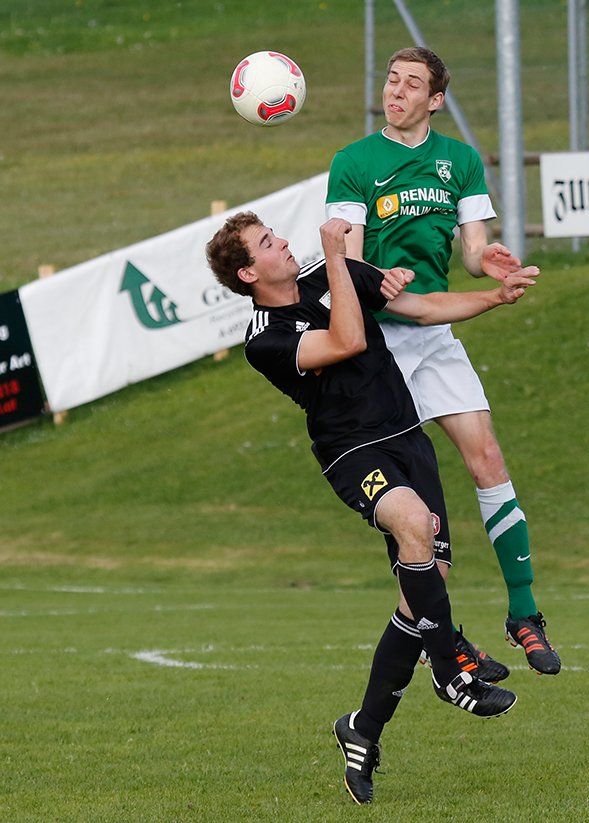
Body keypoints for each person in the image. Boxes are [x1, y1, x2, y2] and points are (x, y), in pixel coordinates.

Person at [206, 213, 536, 805]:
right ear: (249, 273)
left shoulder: (332, 274)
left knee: (422, 592)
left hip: (409, 437)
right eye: (268, 244)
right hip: (353, 451)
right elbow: (347, 341)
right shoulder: (265, 339)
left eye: (276, 234)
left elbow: (421, 310)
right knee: (412, 523)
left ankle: (362, 729)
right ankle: (450, 669)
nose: (284, 242)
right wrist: (339, 259)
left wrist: (495, 297)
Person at [325, 46, 560, 679]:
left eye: (411, 84)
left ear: (436, 100)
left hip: (434, 334)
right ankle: (446, 638)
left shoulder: (460, 161)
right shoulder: (354, 163)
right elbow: (345, 260)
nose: (395, 91)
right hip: (378, 346)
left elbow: (474, 250)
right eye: (391, 80)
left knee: (489, 460)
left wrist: (491, 262)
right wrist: (378, 278)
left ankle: (524, 612)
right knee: (413, 513)